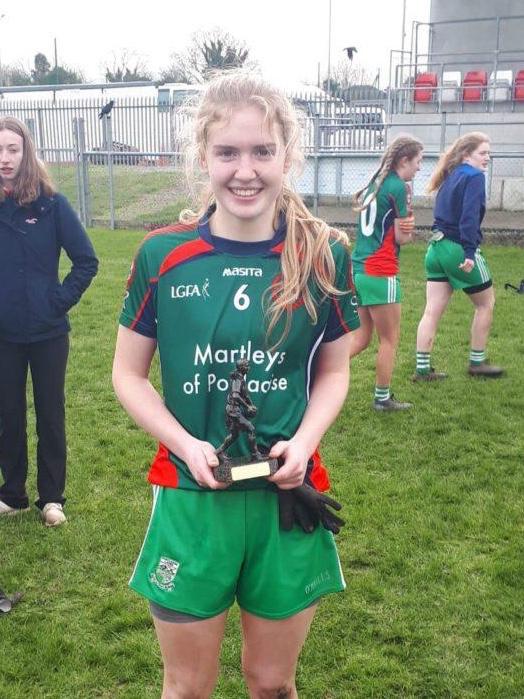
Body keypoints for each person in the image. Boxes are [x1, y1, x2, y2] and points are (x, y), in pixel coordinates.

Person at [112, 70, 360, 699]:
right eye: (227, 152)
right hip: (191, 496)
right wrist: (185, 444)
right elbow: (127, 375)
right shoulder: (161, 255)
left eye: (261, 152)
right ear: (204, 156)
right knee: (187, 688)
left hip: (287, 497)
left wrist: (305, 442)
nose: (245, 171)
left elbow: (335, 369)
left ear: (287, 156)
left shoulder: (323, 254)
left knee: (272, 684)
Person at [0, 116, 98, 526]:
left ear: (26, 153)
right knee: (7, 415)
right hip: (4, 334)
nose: (5, 158)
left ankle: (52, 498)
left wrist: (56, 301)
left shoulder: (51, 204)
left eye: (12, 149)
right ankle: (13, 494)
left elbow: (86, 261)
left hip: (48, 332)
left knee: (50, 415)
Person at [413, 132, 503, 380]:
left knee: (431, 311)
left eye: (488, 153)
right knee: (486, 303)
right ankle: (477, 363)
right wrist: (470, 252)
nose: (487, 157)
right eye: (482, 153)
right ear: (466, 155)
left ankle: (422, 370)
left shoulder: (450, 175)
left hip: (435, 248)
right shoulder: (474, 177)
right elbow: (469, 217)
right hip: (457, 249)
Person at [349, 136, 423, 410]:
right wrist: (410, 227)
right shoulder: (398, 187)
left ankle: (313, 374)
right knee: (389, 340)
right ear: (404, 160)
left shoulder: (376, 182)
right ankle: (382, 399)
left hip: (358, 269)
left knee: (361, 338)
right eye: (418, 162)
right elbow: (402, 238)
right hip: (380, 271)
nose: (419, 168)